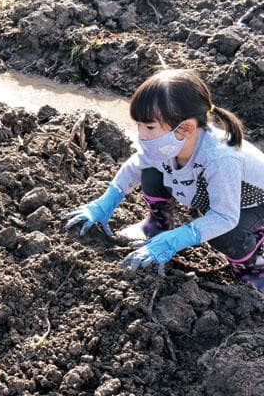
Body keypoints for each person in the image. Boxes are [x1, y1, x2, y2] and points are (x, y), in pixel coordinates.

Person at [64, 69, 264, 292]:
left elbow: (224, 216)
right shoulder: (168, 143)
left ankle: (252, 269)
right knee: (151, 173)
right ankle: (157, 227)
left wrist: (177, 240)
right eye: (138, 125)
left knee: (226, 235)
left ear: (185, 128)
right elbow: (135, 166)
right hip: (210, 194)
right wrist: (107, 201)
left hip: (252, 206)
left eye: (149, 127)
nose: (142, 135)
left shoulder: (220, 158)